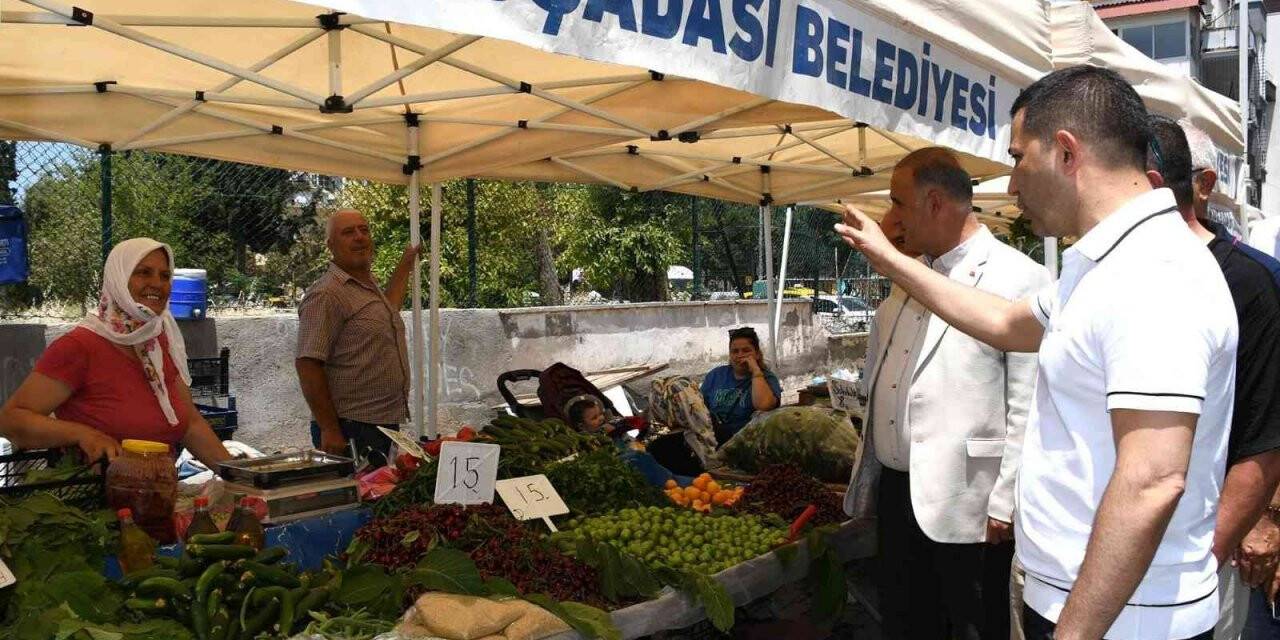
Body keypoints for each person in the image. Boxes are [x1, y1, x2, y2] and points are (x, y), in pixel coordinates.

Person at [835, 65, 1237, 640]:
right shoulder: (1105, 265)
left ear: (1067, 153)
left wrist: (1072, 633)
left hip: (1123, 619)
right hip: (1091, 601)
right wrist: (893, 260)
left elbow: (1153, 479)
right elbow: (1002, 320)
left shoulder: (1153, 273)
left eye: (1019, 158)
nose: (1011, 186)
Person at [844, 148, 1049, 640]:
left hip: (969, 503)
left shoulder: (1017, 276)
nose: (890, 220)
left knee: (973, 624)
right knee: (907, 621)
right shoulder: (908, 277)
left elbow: (1029, 402)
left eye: (898, 203)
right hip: (899, 492)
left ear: (934, 203)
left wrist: (1005, 500)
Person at [1144, 116, 1280, 640]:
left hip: (1208, 549)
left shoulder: (1253, 281)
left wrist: (1257, 523)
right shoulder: (1123, 274)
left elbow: (1267, 426)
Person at [0, 238, 231, 469]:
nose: (157, 283)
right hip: (91, 497)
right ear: (118, 279)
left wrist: (242, 476)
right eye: (143, 272)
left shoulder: (158, 340)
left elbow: (189, 423)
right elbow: (11, 420)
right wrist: (82, 434)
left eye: (165, 275)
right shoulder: (79, 347)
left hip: (158, 494)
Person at [296, 209, 420, 466]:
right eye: (348, 232)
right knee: (361, 501)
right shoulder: (327, 295)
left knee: (380, 494)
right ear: (331, 245)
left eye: (364, 230)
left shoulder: (366, 286)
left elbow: (389, 308)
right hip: (350, 428)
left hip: (380, 423)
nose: (359, 237)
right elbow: (308, 363)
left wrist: (406, 263)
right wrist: (330, 429)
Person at [699, 326, 781, 445]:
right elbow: (700, 408)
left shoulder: (767, 378)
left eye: (746, 350)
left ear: (757, 354)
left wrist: (756, 372)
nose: (740, 355)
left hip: (749, 443)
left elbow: (763, 406)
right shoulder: (716, 375)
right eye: (735, 351)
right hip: (715, 441)